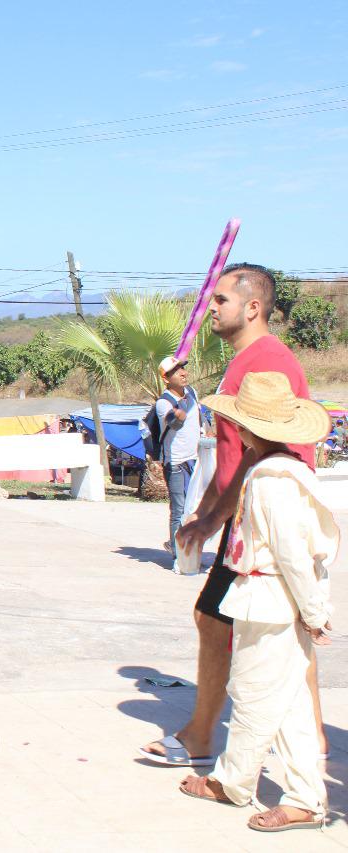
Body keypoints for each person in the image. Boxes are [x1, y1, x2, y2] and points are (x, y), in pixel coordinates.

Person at [140, 264, 327, 766]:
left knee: (237, 622)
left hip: (265, 518)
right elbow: (228, 459)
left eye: (220, 300)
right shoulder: (245, 360)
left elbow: (258, 456)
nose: (211, 309)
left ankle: (207, 736)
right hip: (247, 514)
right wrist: (205, 513)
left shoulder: (268, 362)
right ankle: (298, 739)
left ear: (252, 308)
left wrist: (210, 521)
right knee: (247, 623)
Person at [178, 372, 336, 832]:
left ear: (247, 431)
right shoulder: (293, 471)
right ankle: (305, 796)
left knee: (250, 693)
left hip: (269, 601)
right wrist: (311, 608)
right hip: (280, 599)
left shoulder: (269, 480)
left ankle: (232, 781)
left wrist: (313, 612)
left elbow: (289, 551)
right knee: (290, 705)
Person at [155, 356, 200, 555]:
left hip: (195, 459)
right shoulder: (164, 403)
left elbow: (198, 420)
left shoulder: (192, 393)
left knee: (195, 508)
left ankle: (186, 548)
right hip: (176, 463)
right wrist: (178, 415)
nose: (183, 373)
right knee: (179, 510)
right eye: (176, 371)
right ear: (166, 378)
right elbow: (173, 422)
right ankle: (177, 553)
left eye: (183, 369)